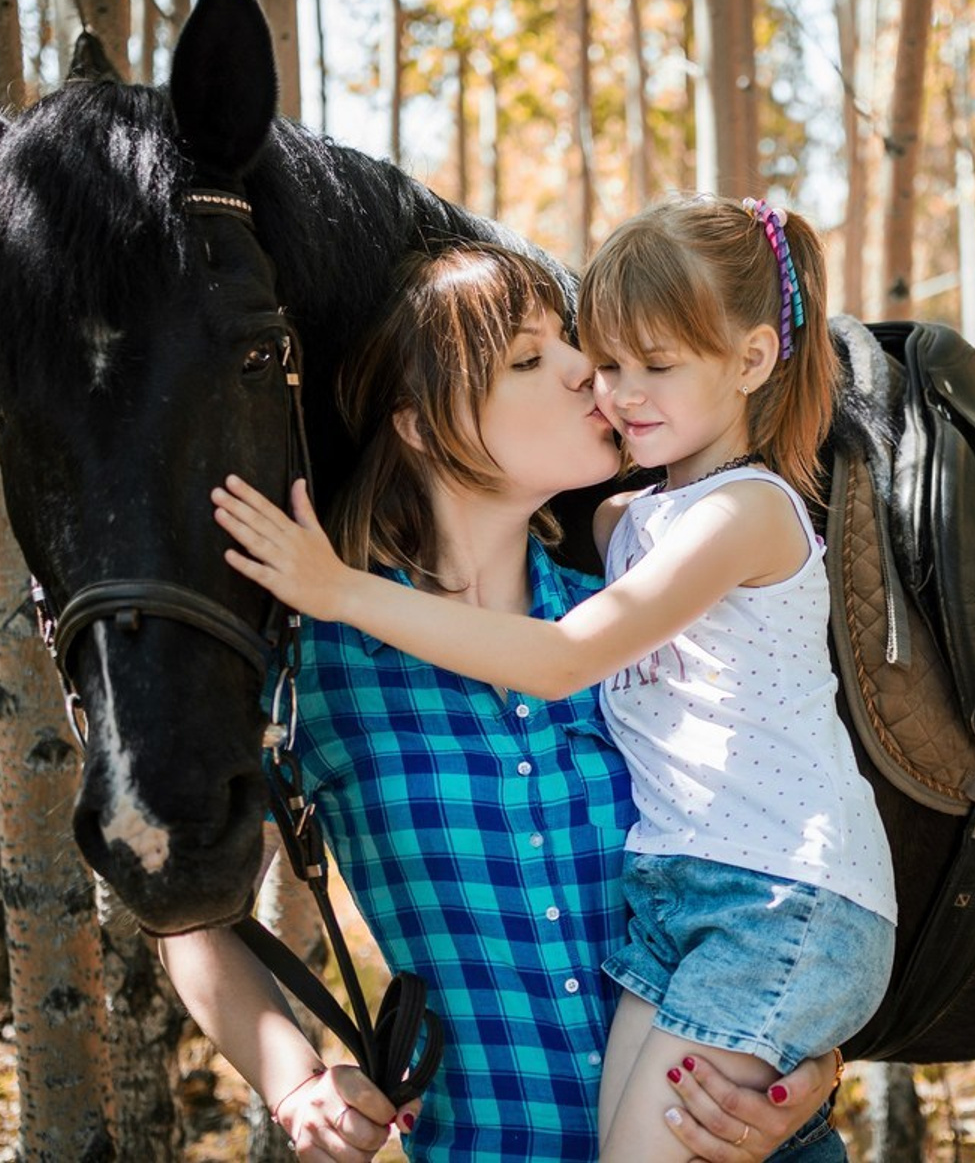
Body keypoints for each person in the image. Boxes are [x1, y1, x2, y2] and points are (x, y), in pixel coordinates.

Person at [210, 197, 897, 1163]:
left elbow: (789, 858)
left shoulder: (647, 624)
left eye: (589, 353)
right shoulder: (326, 665)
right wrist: (293, 1077)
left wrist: (800, 1071)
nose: (591, 375)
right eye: (534, 360)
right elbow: (185, 901)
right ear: (418, 421)